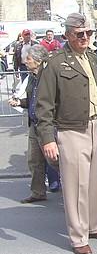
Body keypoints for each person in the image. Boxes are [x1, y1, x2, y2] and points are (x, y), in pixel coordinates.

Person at [36, 13, 97, 254]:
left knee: (94, 183)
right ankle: (78, 236)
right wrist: (48, 138)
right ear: (67, 35)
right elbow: (44, 104)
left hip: (95, 126)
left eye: (88, 33)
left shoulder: (93, 58)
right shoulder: (55, 62)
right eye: (79, 34)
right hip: (71, 129)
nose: (85, 38)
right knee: (75, 186)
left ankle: (94, 225)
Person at [8, 45, 60, 203]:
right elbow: (32, 100)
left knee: (55, 161)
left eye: (28, 59)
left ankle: (76, 189)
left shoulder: (49, 76)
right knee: (34, 160)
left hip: (47, 125)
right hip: (34, 125)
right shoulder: (31, 77)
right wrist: (19, 102)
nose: (25, 61)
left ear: (38, 61)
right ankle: (38, 192)